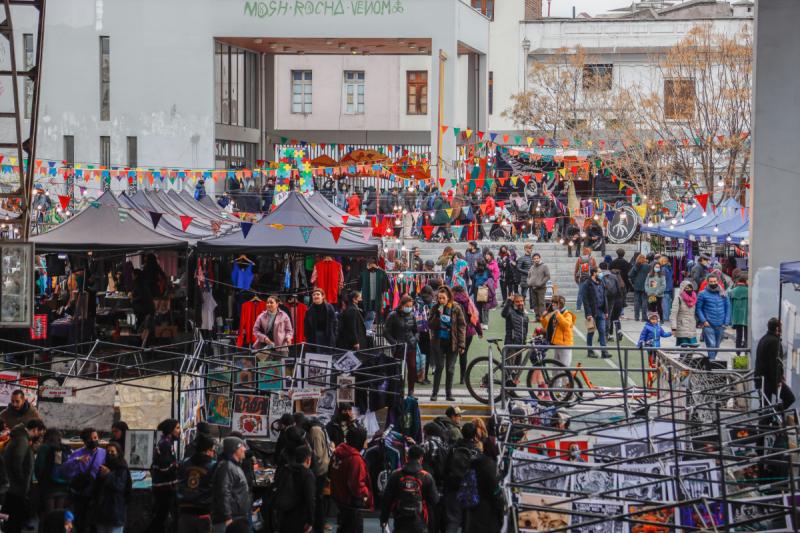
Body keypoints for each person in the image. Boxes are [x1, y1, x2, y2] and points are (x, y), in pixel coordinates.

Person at [380, 445, 438, 533]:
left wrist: (383, 519)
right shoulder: (426, 476)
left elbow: (387, 500)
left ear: (407, 457)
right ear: (421, 458)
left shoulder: (396, 474)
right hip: (420, 522)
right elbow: (434, 501)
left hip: (400, 521)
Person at [2, 418, 45, 533]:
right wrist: (22, 482)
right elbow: (17, 462)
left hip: (13, 485)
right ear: (35, 430)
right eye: (40, 433)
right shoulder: (22, 440)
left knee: (11, 517)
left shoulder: (20, 438)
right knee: (14, 518)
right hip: (16, 488)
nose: (39, 436)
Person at [61, 427, 107, 533]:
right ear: (85, 441)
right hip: (80, 494)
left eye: (96, 437)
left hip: (96, 493)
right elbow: (64, 470)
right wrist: (77, 460)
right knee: (81, 522)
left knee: (94, 523)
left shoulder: (103, 453)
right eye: (91, 439)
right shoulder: (77, 453)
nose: (94, 440)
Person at [330, 426, 373, 533]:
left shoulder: (338, 452)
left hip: (340, 499)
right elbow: (357, 486)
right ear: (359, 440)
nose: (366, 444)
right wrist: (367, 494)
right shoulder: (355, 459)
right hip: (351, 504)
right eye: (364, 440)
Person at [428, 287, 466, 401]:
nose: (441, 300)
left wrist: (462, 344)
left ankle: (448, 394)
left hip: (452, 342)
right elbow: (430, 324)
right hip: (438, 342)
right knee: (439, 367)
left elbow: (462, 326)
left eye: (443, 298)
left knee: (450, 369)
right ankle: (434, 393)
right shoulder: (435, 308)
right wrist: (437, 316)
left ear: (448, 297)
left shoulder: (456, 308)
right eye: (439, 298)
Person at [176, 433, 217, 533]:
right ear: (208, 450)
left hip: (184, 510)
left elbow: (179, 483)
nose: (213, 453)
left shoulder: (184, 463)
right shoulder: (213, 465)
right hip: (204, 511)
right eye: (213, 450)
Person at [146, 419, 181, 533]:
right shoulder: (165, 444)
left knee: (161, 518)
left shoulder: (166, 443)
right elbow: (165, 468)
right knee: (160, 518)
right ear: (170, 430)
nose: (179, 431)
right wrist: (177, 465)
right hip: (164, 488)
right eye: (177, 428)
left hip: (163, 487)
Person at [89, 441, 132, 533]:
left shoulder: (122, 468)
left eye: (112, 451)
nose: (110, 454)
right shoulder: (103, 467)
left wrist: (108, 474)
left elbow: (119, 486)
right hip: (102, 512)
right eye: (108, 452)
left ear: (118, 453)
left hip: (116, 511)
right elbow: (96, 487)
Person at [212, 437, 252, 533]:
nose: (244, 449)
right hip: (230, 520)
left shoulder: (234, 466)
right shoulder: (227, 466)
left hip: (237, 517)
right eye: (242, 447)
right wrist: (227, 517)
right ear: (235, 449)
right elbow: (223, 492)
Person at [274, 445, 316, 533]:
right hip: (300, 518)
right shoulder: (307, 475)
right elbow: (310, 500)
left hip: (284, 515)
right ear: (308, 460)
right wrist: (310, 521)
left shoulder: (286, 469)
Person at [384, 294, 420, 396]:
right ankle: (399, 390)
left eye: (411, 306)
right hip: (399, 347)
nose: (409, 308)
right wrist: (394, 343)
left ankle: (411, 391)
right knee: (399, 369)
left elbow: (416, 330)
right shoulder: (393, 315)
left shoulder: (412, 315)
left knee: (412, 367)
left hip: (411, 346)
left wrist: (415, 339)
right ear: (402, 305)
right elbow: (386, 332)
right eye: (407, 306)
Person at [755, 318, 795, 409]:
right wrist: (778, 380)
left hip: (760, 379)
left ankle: (770, 415)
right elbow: (774, 364)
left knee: (764, 407)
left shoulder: (763, 339)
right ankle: (774, 414)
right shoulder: (775, 342)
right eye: (781, 328)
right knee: (790, 398)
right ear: (777, 328)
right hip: (770, 380)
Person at [34, 428, 70, 515]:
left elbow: (39, 467)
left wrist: (40, 480)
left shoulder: (44, 448)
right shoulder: (63, 448)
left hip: (48, 486)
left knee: (48, 514)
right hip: (62, 486)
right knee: (59, 514)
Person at [695, 274, 731, 360]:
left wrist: (726, 322)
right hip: (708, 324)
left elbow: (728, 307)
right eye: (711, 282)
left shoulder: (723, 293)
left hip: (721, 324)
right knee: (711, 344)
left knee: (717, 345)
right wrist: (704, 321)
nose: (713, 283)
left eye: (714, 281)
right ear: (707, 282)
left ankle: (711, 362)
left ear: (718, 281)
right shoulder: (702, 294)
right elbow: (698, 309)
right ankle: (712, 362)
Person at [451, 285, 482, 384]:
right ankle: (463, 378)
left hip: (453, 332)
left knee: (452, 354)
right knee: (463, 355)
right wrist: (479, 331)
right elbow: (474, 317)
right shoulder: (468, 301)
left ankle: (450, 378)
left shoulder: (450, 301)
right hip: (468, 332)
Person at [583, 267, 611, 359]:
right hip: (592, 312)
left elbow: (604, 296)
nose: (601, 274)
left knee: (602, 331)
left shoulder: (601, 282)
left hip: (601, 311)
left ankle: (604, 351)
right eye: (599, 272)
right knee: (591, 332)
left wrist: (606, 311)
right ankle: (590, 351)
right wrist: (588, 314)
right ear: (594, 273)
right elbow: (585, 299)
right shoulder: (587, 283)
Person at [540, 295, 576, 366]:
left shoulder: (567, 314)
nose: (552, 304)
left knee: (564, 366)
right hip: (557, 343)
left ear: (560, 304)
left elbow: (566, 326)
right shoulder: (555, 314)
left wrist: (558, 313)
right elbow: (546, 326)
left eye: (555, 303)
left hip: (565, 344)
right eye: (552, 302)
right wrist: (543, 317)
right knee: (555, 367)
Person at [599, 262, 625, 340]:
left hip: (606, 299)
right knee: (615, 317)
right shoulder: (615, 277)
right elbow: (620, 289)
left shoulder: (600, 276)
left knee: (607, 317)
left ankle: (607, 334)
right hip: (616, 299)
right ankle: (618, 331)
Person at [470, 259, 495, 328]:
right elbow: (472, 278)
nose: (474, 264)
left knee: (485, 307)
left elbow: (491, 279)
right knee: (478, 307)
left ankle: (485, 323)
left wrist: (486, 283)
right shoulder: (475, 271)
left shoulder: (487, 270)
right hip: (476, 290)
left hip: (484, 290)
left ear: (479, 264)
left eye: (476, 263)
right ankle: (480, 322)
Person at [729, 273, 749, 355]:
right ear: (745, 281)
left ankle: (738, 354)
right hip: (747, 317)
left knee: (738, 336)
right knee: (747, 336)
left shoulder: (733, 291)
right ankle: (747, 353)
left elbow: (730, 304)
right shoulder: (749, 291)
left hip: (736, 317)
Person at [674, 280, 699, 346]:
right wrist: (673, 327)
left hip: (691, 326)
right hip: (682, 326)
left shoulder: (694, 298)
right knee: (684, 346)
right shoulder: (678, 298)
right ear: (683, 288)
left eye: (690, 288)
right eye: (686, 288)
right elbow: (673, 314)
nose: (689, 289)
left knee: (693, 346)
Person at [526, 253, 550, 320]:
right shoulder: (532, 267)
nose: (536, 260)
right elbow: (528, 276)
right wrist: (529, 282)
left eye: (537, 258)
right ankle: (537, 317)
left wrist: (540, 283)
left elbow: (547, 276)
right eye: (534, 259)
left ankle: (542, 317)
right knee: (535, 303)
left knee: (541, 303)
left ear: (540, 258)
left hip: (541, 288)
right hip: (532, 288)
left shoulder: (544, 266)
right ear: (533, 260)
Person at [574, 247, 596, 311]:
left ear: (583, 252)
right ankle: (591, 307)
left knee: (580, 293)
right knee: (591, 293)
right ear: (590, 252)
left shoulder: (579, 259)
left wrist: (576, 278)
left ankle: (578, 308)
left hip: (582, 278)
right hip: (590, 278)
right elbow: (595, 268)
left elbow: (576, 269)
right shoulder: (592, 259)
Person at [629, 254, 650, 321]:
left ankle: (636, 317)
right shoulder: (648, 266)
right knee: (644, 301)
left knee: (636, 301)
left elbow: (630, 275)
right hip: (646, 285)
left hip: (637, 285)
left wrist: (634, 281)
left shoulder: (636, 266)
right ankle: (644, 317)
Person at [658, 256, 675, 323]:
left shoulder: (663, 269)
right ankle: (667, 316)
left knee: (665, 304)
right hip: (669, 287)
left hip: (665, 288)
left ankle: (665, 317)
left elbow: (662, 279)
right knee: (668, 303)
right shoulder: (669, 268)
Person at [516, 244, 534, 308]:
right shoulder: (521, 258)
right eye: (529, 248)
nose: (531, 249)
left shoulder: (533, 258)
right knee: (523, 294)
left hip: (532, 279)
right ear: (525, 249)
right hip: (524, 279)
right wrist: (527, 272)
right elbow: (518, 268)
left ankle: (532, 307)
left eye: (531, 248)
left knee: (532, 294)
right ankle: (522, 307)